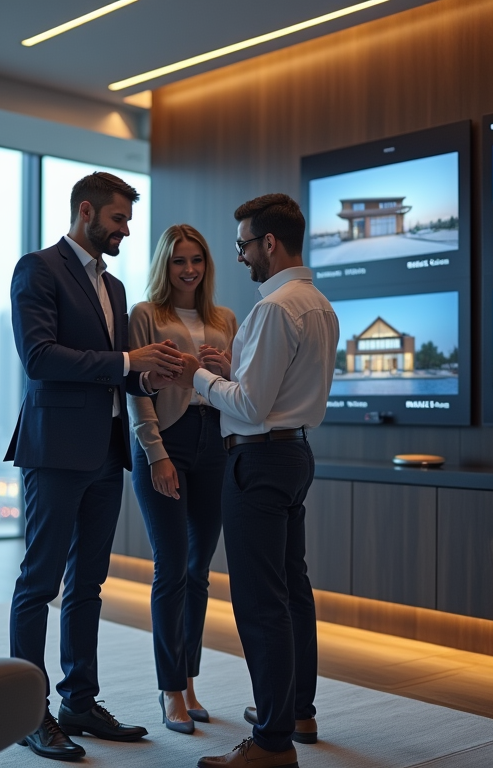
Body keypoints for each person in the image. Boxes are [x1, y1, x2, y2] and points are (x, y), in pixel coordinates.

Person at [6, 171, 184, 761]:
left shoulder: (115, 286)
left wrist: (149, 370)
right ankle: (28, 714)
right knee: (39, 584)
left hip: (108, 451)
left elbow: (116, 368)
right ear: (86, 212)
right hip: (55, 450)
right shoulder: (37, 269)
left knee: (88, 585)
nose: (126, 231)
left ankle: (79, 702)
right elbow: (39, 357)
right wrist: (126, 358)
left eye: (128, 221)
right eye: (118, 220)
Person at [176, 194, 339, 768]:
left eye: (245, 244)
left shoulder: (274, 309)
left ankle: (272, 744)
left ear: (269, 243)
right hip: (294, 456)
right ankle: (295, 711)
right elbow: (274, 390)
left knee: (260, 602)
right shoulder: (318, 304)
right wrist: (231, 371)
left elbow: (248, 407)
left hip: (258, 461)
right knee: (292, 591)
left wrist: (196, 376)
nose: (241, 256)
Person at [128, 224, 238, 734]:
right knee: (170, 568)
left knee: (198, 571)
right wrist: (156, 455)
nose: (189, 269)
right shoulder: (146, 315)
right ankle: (169, 689)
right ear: (164, 266)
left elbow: (238, 390)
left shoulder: (224, 319)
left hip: (213, 439)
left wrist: (225, 370)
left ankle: (189, 681)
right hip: (165, 439)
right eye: (178, 261)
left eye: (196, 260)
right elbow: (136, 391)